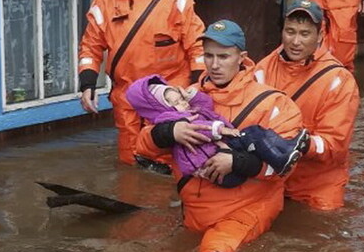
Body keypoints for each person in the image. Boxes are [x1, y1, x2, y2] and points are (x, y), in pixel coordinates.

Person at [135, 20, 304, 252]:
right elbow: (142, 149)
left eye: (223, 57)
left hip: (246, 209)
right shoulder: (186, 97)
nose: (214, 65)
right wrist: (169, 132)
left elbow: (285, 168)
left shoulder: (273, 103)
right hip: (194, 211)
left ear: (242, 58)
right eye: (208, 56)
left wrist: (237, 162)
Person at [78, 0, 205, 165]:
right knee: (129, 160)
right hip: (126, 95)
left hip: (170, 93)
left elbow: (197, 44)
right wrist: (87, 86)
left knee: (170, 159)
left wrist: (198, 84)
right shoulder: (103, 2)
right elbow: (90, 47)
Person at [256, 0, 360, 211]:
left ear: (320, 37)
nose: (295, 41)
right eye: (290, 31)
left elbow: (335, 145)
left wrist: (301, 144)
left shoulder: (338, 81)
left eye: (305, 34)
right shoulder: (262, 69)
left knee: (320, 232)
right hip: (270, 176)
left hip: (318, 183)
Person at [126, 74, 309, 187]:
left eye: (223, 56)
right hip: (216, 172)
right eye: (175, 102)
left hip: (225, 172)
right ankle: (282, 156)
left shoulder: (188, 105)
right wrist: (221, 130)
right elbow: (201, 129)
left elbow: (206, 105)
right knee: (253, 134)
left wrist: (191, 96)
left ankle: (284, 152)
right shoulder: (171, 120)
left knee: (254, 134)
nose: (182, 103)